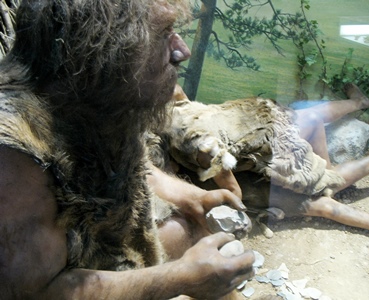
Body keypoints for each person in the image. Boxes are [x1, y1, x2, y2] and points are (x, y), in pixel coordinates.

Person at [0, 0, 255, 299]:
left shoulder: (94, 95)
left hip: (103, 252)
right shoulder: (14, 158)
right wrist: (180, 279)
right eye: (164, 33)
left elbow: (132, 165)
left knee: (191, 230)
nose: (181, 51)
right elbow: (35, 293)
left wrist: (192, 196)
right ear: (107, 50)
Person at [163, 84, 369, 237]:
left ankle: (361, 108)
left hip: (256, 146)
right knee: (322, 192)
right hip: (249, 161)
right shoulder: (181, 125)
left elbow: (232, 190)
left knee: (323, 185)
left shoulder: (194, 135)